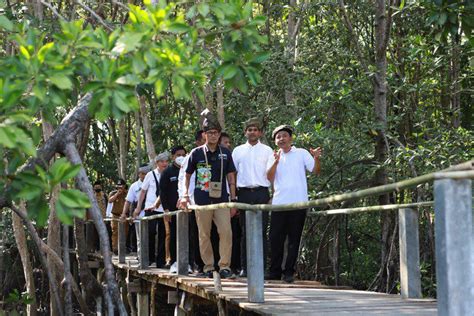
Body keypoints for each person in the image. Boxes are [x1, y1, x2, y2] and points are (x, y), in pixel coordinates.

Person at [180, 116, 238, 279]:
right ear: (204, 134)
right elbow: (187, 175)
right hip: (202, 200)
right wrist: (185, 195)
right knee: (204, 233)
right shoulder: (196, 153)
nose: (213, 136)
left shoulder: (225, 153)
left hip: (221, 200)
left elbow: (231, 177)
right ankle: (208, 266)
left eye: (216, 133)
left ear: (219, 135)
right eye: (210, 133)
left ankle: (225, 266)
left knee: (226, 231)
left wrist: (233, 200)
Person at [266, 125, 322, 283]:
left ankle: (289, 272)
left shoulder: (301, 153)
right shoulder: (274, 156)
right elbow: (269, 177)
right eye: (278, 137)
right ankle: (274, 271)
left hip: (298, 203)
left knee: (293, 239)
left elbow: (315, 171)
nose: (281, 139)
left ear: (290, 138)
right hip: (279, 204)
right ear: (275, 141)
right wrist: (275, 162)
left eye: (284, 136)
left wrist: (316, 157)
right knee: (275, 238)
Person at [232, 118, 273, 277]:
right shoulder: (238, 150)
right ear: (245, 132)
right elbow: (232, 175)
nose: (252, 132)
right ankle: (245, 267)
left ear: (260, 132)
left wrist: (273, 194)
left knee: (262, 231)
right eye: (249, 130)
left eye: (255, 129)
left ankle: (261, 267)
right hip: (243, 193)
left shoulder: (268, 150)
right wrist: (233, 197)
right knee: (245, 230)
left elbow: (272, 173)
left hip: (262, 192)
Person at [133, 152, 169, 267]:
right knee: (150, 233)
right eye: (162, 161)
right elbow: (143, 191)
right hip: (150, 208)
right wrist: (139, 207)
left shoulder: (168, 173)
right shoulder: (150, 175)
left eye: (166, 161)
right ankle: (149, 258)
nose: (164, 164)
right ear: (157, 163)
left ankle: (161, 261)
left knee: (164, 234)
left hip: (164, 209)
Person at [178, 130, 206, 272]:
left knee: (211, 233)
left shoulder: (217, 154)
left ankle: (212, 265)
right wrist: (183, 196)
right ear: (198, 142)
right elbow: (182, 179)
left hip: (211, 201)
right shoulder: (191, 156)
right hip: (192, 202)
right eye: (204, 138)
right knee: (195, 233)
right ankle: (197, 264)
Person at [159, 145, 187, 273]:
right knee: (174, 235)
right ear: (173, 157)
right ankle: (174, 261)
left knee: (190, 235)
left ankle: (189, 262)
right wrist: (166, 210)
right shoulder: (167, 172)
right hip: (173, 211)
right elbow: (163, 192)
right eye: (178, 155)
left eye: (183, 154)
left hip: (187, 209)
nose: (181, 157)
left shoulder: (188, 169)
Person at [120, 165, 149, 253]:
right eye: (142, 174)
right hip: (138, 214)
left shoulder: (153, 183)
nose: (144, 176)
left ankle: (151, 257)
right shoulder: (134, 186)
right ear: (139, 174)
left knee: (151, 235)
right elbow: (128, 201)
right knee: (140, 237)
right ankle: (140, 257)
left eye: (146, 174)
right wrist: (124, 213)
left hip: (151, 212)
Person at [108, 179, 128, 254]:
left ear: (124, 186)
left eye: (121, 186)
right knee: (115, 232)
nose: (120, 187)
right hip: (115, 215)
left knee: (125, 232)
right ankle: (115, 249)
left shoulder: (127, 193)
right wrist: (117, 194)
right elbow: (110, 201)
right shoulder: (112, 193)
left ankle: (122, 247)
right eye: (118, 186)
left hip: (124, 215)